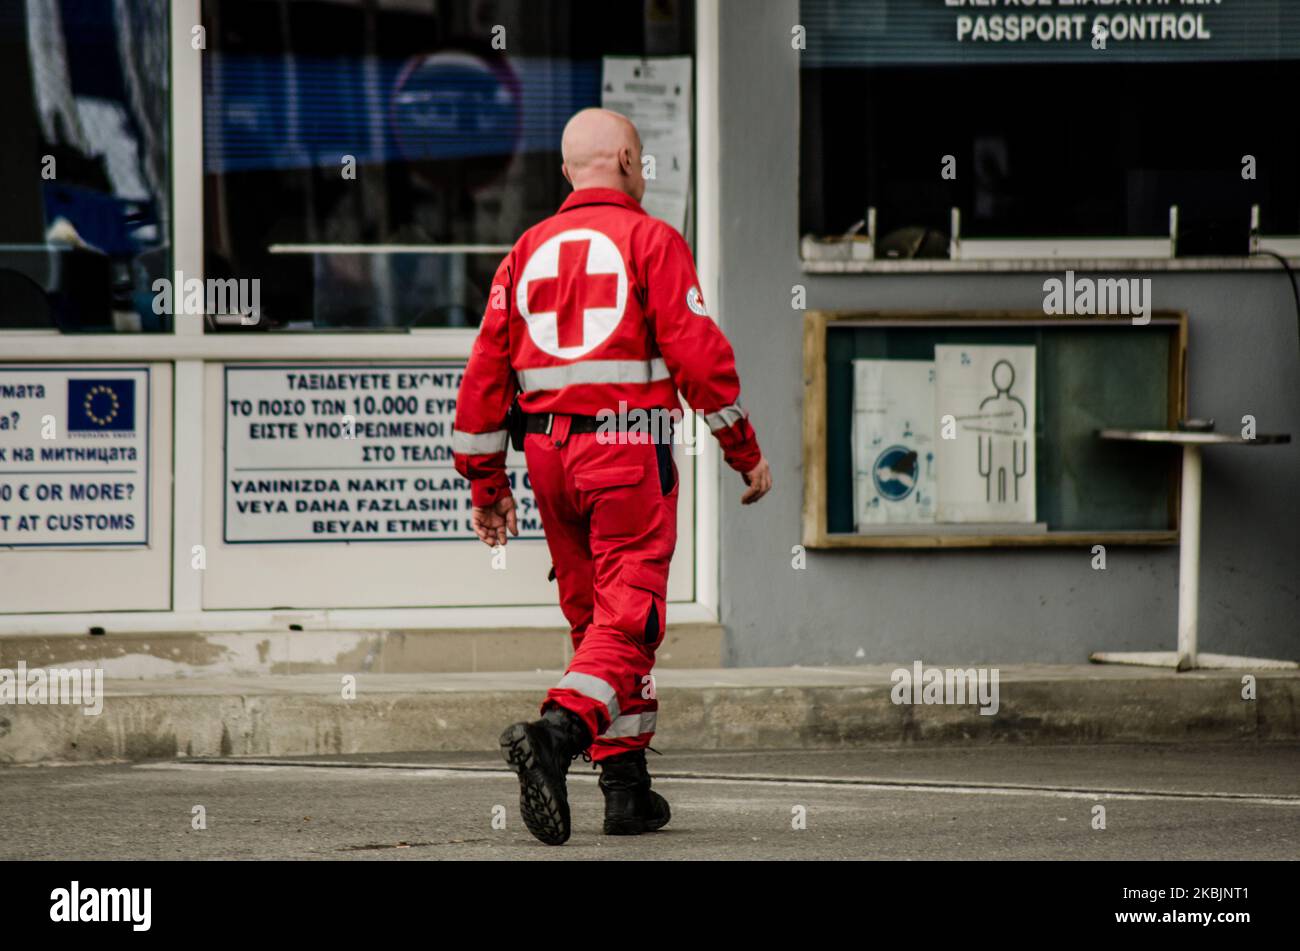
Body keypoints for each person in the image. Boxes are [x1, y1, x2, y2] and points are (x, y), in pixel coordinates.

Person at [452, 107, 772, 845]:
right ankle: (557, 735)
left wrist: (486, 483)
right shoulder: (651, 240)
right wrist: (743, 448)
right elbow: (698, 357)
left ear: (568, 172)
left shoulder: (525, 250)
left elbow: (484, 374)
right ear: (631, 161)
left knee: (596, 621)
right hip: (627, 450)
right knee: (631, 619)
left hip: (549, 456)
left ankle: (626, 786)